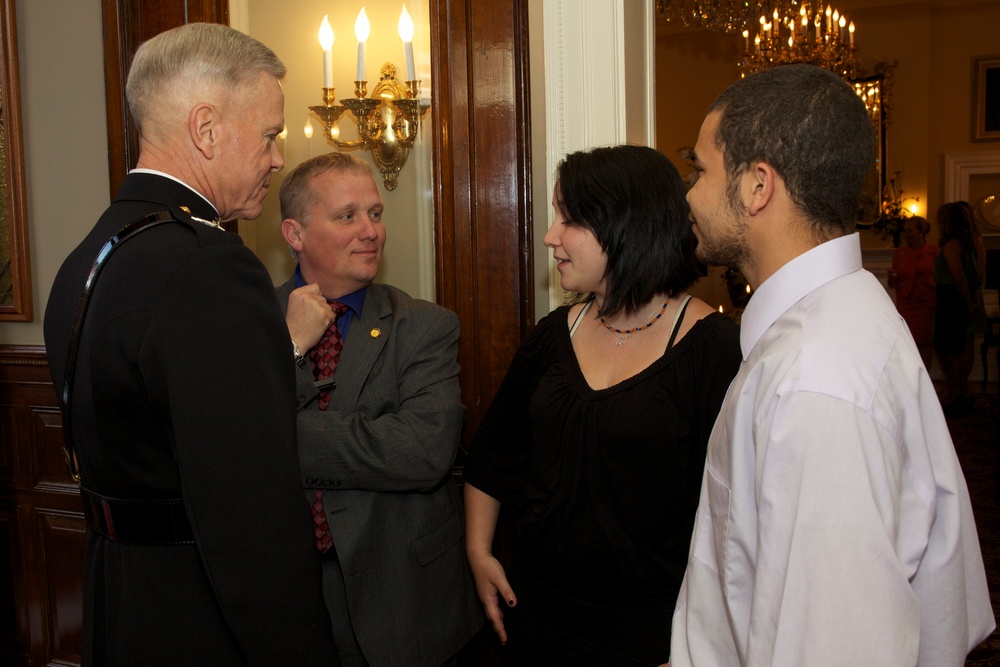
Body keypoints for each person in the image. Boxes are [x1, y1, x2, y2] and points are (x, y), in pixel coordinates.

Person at [671, 64, 995, 667]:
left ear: (756, 185)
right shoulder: (839, 315)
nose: (688, 192)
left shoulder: (815, 379)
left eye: (700, 169)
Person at [43, 23, 338, 666]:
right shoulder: (209, 266)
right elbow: (251, 515)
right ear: (205, 129)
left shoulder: (86, 258)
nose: (278, 157)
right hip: (197, 618)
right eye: (268, 135)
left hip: (117, 601)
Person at [463, 144, 742, 665]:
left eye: (567, 219)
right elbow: (494, 453)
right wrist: (478, 551)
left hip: (648, 632)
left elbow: (735, 518)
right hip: (532, 616)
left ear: (623, 225)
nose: (550, 236)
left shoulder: (714, 350)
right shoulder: (552, 336)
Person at [277, 152, 484, 667]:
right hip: (287, 600)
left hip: (404, 602)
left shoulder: (425, 326)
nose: (370, 231)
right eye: (347, 216)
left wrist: (275, 433)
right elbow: (221, 452)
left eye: (375, 213)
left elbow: (422, 451)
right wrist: (290, 350)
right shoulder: (248, 321)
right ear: (294, 233)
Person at [934, 200, 987, 416]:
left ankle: (955, 392)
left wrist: (967, 301)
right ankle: (962, 389)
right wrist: (974, 299)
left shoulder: (950, 245)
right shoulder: (976, 241)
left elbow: (958, 277)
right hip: (971, 296)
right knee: (965, 343)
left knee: (949, 347)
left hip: (953, 299)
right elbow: (980, 274)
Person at [888, 215, 937, 370]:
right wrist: (892, 280)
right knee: (907, 344)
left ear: (921, 232)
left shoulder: (934, 251)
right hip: (906, 304)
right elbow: (893, 280)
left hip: (925, 303)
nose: (906, 234)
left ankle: (926, 379)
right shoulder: (900, 253)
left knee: (924, 344)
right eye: (905, 231)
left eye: (910, 230)